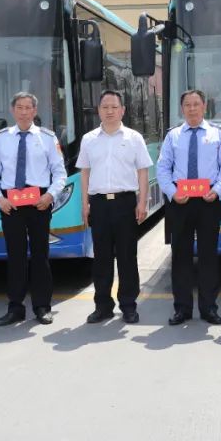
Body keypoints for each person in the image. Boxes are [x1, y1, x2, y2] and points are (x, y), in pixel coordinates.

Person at [0, 92, 67, 327]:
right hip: (10, 204)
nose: (23, 112)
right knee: (15, 256)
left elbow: (59, 173)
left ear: (34, 111)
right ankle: (15, 307)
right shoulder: (1, 139)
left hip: (39, 202)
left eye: (28, 108)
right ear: (13, 111)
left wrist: (50, 195)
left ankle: (42, 306)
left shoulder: (47, 138)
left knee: (40, 255)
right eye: (19, 107)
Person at [156, 90, 221, 325]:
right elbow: (163, 167)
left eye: (196, 104)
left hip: (208, 200)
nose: (192, 109)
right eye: (188, 105)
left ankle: (209, 307)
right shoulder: (173, 136)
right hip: (180, 201)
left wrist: (218, 190)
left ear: (204, 107)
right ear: (182, 109)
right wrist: (172, 193)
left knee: (208, 255)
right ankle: (182, 308)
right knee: (181, 256)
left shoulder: (217, 134)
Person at [81, 90, 154, 325]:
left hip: (125, 203)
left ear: (123, 110)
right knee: (101, 258)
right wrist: (85, 204)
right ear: (98, 111)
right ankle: (103, 306)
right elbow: (85, 172)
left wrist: (142, 202)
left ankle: (129, 305)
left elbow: (143, 172)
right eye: (105, 107)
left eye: (114, 107)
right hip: (99, 204)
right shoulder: (89, 139)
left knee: (126, 257)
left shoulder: (134, 138)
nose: (109, 111)